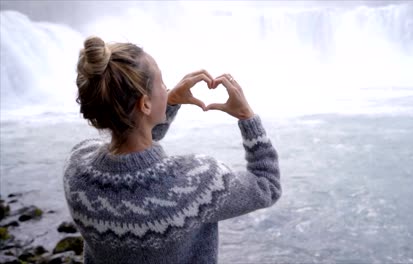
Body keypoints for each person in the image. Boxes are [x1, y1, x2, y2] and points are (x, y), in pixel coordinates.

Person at [64, 36, 281, 264]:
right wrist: (247, 117)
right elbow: (267, 185)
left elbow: (131, 143)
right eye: (161, 83)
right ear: (145, 104)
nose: (167, 89)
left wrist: (166, 103)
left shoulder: (76, 168)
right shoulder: (197, 182)